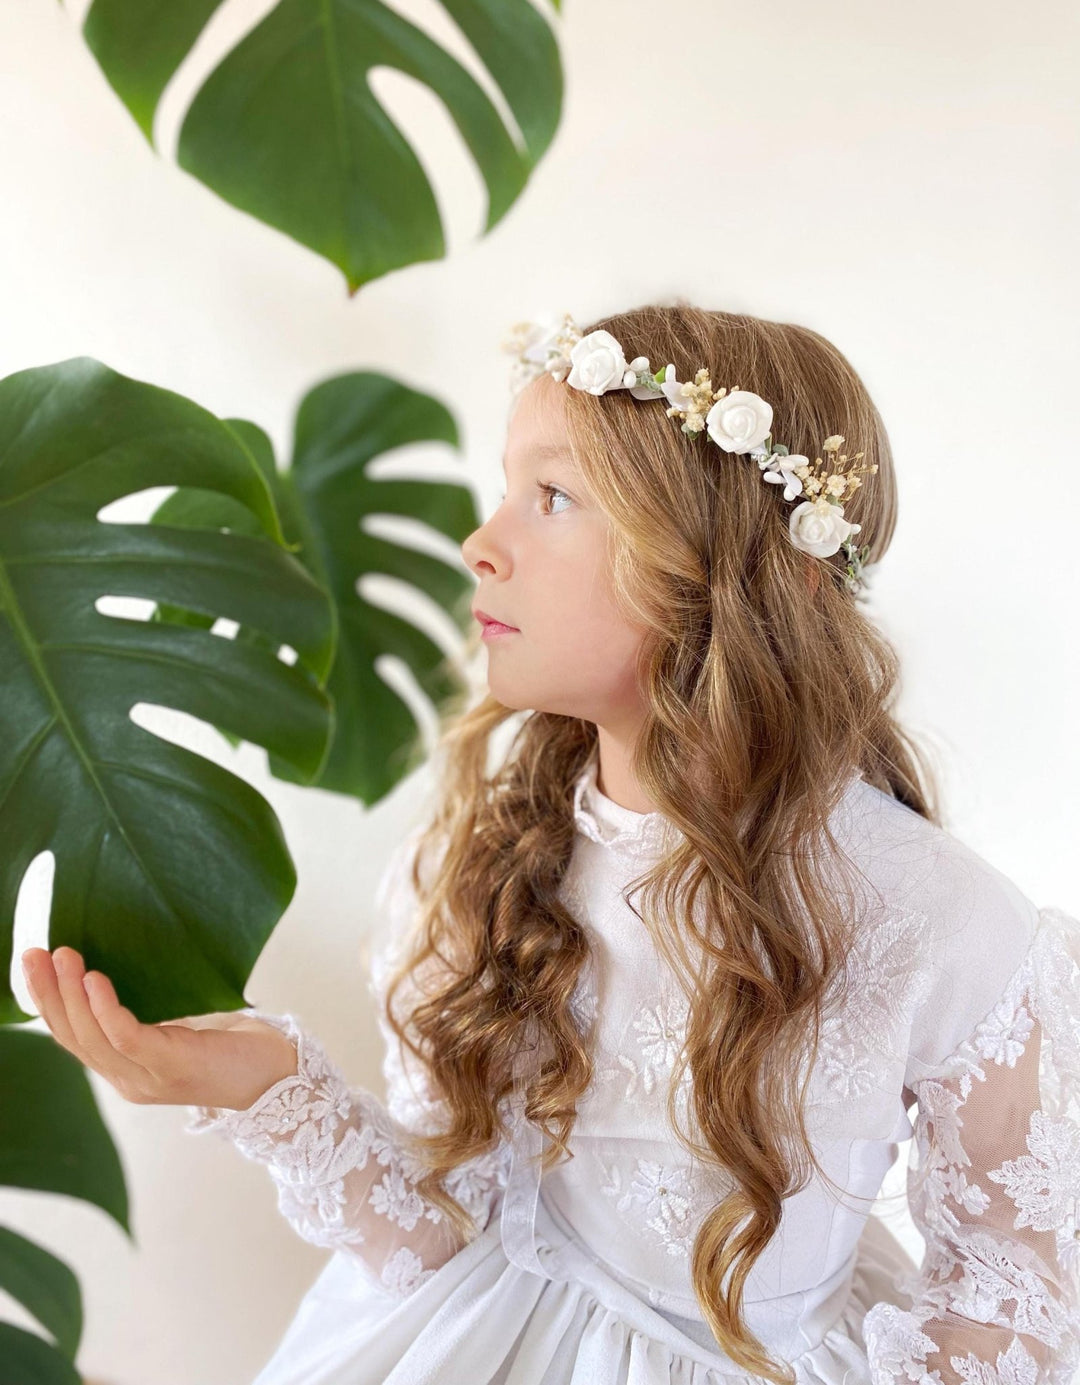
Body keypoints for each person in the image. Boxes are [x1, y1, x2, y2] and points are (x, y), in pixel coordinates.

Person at [22, 302, 1080, 1385]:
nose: (482, 543)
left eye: (554, 496)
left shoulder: (940, 923)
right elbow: (454, 1246)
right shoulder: (476, 860)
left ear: (732, 565)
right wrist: (270, 1089)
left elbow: (1013, 1295)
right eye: (504, 488)